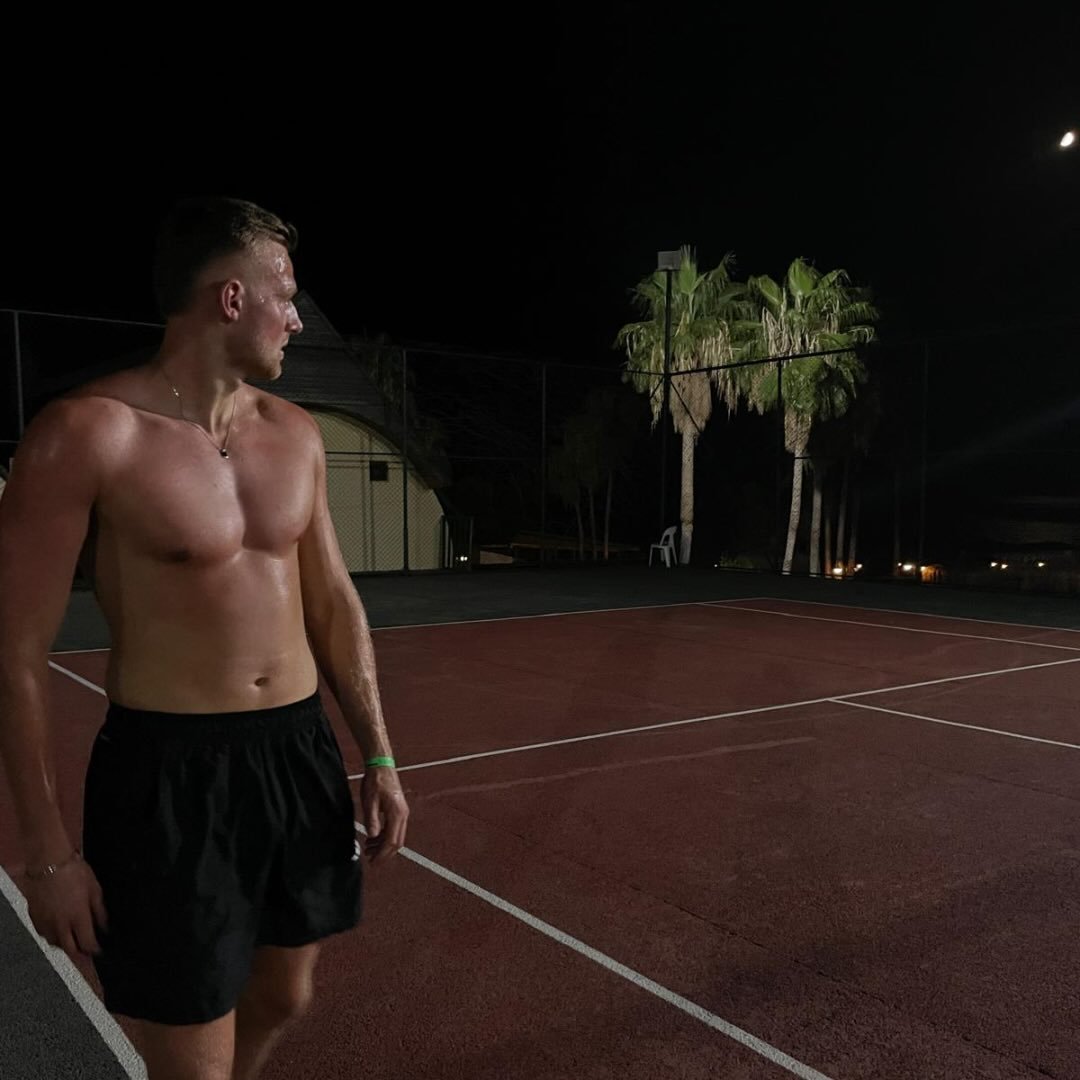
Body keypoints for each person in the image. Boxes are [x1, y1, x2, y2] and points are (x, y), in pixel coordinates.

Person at [0, 197, 409, 1080]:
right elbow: (15, 654)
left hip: (296, 754)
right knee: (192, 1053)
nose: (297, 318)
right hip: (168, 777)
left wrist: (376, 753)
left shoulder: (296, 435)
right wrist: (47, 856)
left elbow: (333, 602)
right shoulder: (87, 434)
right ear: (231, 299)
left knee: (286, 994)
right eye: (285, 295)